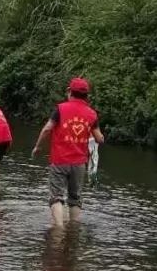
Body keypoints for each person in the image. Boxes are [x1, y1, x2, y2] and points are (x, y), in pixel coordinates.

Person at [31, 77, 105, 227]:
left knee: (56, 197)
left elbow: (47, 129)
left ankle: (58, 228)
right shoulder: (92, 114)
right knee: (75, 198)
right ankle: (73, 229)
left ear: (70, 92)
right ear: (86, 95)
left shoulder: (60, 109)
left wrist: (38, 147)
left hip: (60, 160)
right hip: (79, 163)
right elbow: (99, 139)